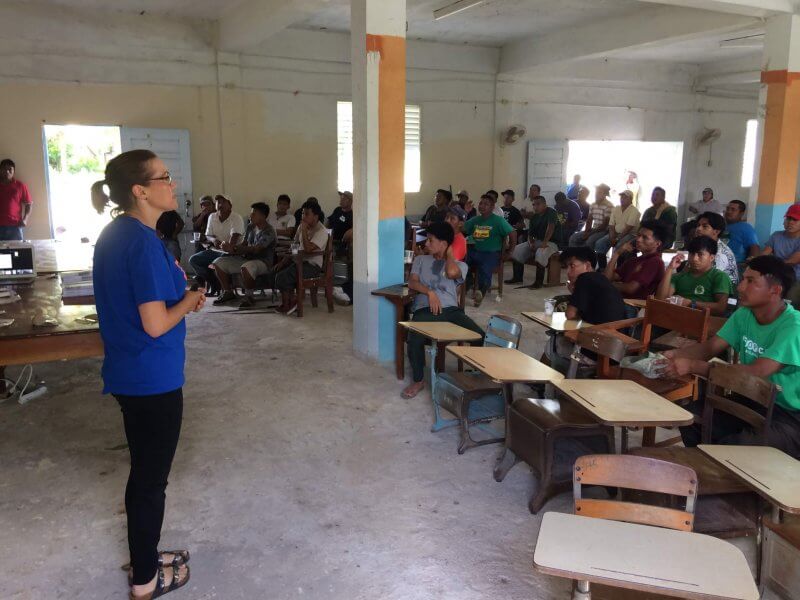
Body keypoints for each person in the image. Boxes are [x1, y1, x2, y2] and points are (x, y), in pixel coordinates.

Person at [91, 150, 202, 599]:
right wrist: (190, 300)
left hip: (129, 372)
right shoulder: (140, 242)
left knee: (144, 473)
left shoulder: (118, 233)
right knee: (150, 481)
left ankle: (144, 555)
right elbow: (156, 323)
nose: (172, 184)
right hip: (150, 378)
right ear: (140, 190)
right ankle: (145, 581)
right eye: (165, 177)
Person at [659, 255, 800, 458]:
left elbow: (756, 373)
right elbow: (710, 347)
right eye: (743, 279)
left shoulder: (793, 327)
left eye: (751, 281)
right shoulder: (745, 314)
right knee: (692, 419)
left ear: (775, 290)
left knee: (736, 445)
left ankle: (733, 485)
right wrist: (672, 355)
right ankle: (707, 477)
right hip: (753, 399)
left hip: (789, 415)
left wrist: (691, 366)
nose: (740, 287)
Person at [401, 222, 484, 399]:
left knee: (479, 335)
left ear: (444, 244)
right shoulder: (421, 260)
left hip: (452, 311)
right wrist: (429, 292)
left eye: (431, 240)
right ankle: (418, 380)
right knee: (414, 336)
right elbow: (412, 282)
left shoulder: (460, 265)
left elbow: (452, 273)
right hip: (425, 310)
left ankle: (475, 376)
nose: (426, 244)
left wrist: (449, 255)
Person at [544, 246, 627, 373]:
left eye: (572, 266)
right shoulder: (601, 280)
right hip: (615, 353)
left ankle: (548, 385)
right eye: (567, 267)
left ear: (587, 266)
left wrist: (574, 293)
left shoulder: (585, 279)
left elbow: (570, 315)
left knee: (552, 343)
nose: (568, 271)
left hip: (596, 352)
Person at [211, 202, 277, 309]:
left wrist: (235, 248)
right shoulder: (251, 227)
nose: (250, 216)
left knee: (247, 267)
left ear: (263, 216)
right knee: (218, 262)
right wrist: (230, 248)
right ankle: (228, 292)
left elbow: (257, 249)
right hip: (246, 259)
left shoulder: (269, 231)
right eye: (251, 213)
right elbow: (244, 245)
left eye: (254, 214)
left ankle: (249, 297)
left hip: (263, 262)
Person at [273, 202, 328, 315]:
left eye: (307, 214)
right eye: (302, 213)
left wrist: (303, 230)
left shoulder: (321, 231)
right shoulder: (301, 227)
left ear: (316, 216)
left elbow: (308, 249)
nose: (303, 217)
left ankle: (291, 303)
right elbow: (295, 245)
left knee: (284, 276)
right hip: (300, 261)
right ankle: (289, 302)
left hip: (313, 266)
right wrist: (283, 262)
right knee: (277, 272)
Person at [656, 236, 733, 316]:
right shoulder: (679, 277)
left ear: (711, 257)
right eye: (692, 254)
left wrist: (690, 303)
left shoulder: (719, 276)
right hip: (676, 319)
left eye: (700, 254)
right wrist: (670, 268)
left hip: (704, 323)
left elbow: (721, 308)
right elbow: (660, 301)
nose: (694, 258)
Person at [462, 194, 515, 306]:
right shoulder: (476, 219)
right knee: (462, 261)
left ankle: (481, 292)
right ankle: (469, 282)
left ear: (492, 207)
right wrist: (465, 213)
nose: (482, 206)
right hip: (475, 251)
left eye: (486, 204)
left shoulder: (498, 221)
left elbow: (513, 232)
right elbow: (462, 227)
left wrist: (510, 252)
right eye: (481, 203)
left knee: (485, 269)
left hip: (491, 253)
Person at [188, 194, 245, 296]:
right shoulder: (212, 216)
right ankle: (214, 283)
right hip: (215, 250)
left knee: (217, 262)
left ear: (230, 205)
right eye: (218, 202)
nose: (220, 204)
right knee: (194, 260)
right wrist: (214, 240)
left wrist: (226, 246)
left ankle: (225, 290)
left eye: (223, 202)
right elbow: (208, 235)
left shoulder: (236, 217)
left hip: (232, 252)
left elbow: (234, 239)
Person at [604, 220, 666, 300]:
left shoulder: (656, 262)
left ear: (657, 244)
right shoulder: (633, 261)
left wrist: (610, 284)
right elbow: (607, 278)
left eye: (645, 237)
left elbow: (631, 289)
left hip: (637, 308)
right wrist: (617, 254)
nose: (638, 239)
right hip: (621, 302)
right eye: (638, 235)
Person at [507, 195, 560, 287]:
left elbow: (550, 228)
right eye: (534, 205)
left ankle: (538, 283)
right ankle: (517, 278)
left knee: (540, 252)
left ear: (545, 204)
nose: (535, 207)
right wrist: (531, 243)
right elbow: (530, 234)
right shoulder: (534, 217)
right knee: (516, 250)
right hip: (538, 241)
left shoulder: (551, 212)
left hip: (552, 242)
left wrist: (544, 242)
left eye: (538, 204)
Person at [762, 203, 800, 307]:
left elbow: (792, 261)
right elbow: (765, 253)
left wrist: (770, 265)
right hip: (776, 274)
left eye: (795, 220)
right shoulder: (776, 235)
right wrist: (757, 260)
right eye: (788, 218)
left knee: (789, 302)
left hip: (796, 278)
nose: (790, 222)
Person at [594, 189, 641, 270]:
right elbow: (611, 225)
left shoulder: (634, 211)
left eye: (625, 197)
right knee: (599, 243)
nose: (622, 199)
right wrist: (612, 237)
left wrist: (617, 239)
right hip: (615, 233)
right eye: (621, 197)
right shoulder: (616, 208)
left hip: (630, 234)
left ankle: (619, 269)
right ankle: (602, 268)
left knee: (619, 245)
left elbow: (628, 228)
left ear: (630, 199)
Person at [695, 211, 739, 285]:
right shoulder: (705, 246)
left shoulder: (720, 253)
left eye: (705, 226)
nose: (698, 229)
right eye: (698, 225)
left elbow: (711, 280)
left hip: (723, 291)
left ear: (716, 231)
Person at [568, 183, 612, 248]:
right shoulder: (593, 204)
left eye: (599, 192)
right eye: (596, 192)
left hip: (604, 231)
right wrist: (586, 232)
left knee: (589, 241)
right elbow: (589, 220)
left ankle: (587, 257)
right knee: (573, 237)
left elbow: (604, 225)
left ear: (605, 195)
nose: (596, 194)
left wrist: (589, 233)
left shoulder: (609, 206)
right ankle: (574, 256)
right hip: (594, 229)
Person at [0, 158, 32, 241]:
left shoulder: (20, 186)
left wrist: (25, 219)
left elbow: (29, 203)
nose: (7, 171)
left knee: (17, 252)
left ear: (14, 171)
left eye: (10, 169)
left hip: (15, 227)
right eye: (4, 169)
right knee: (1, 254)